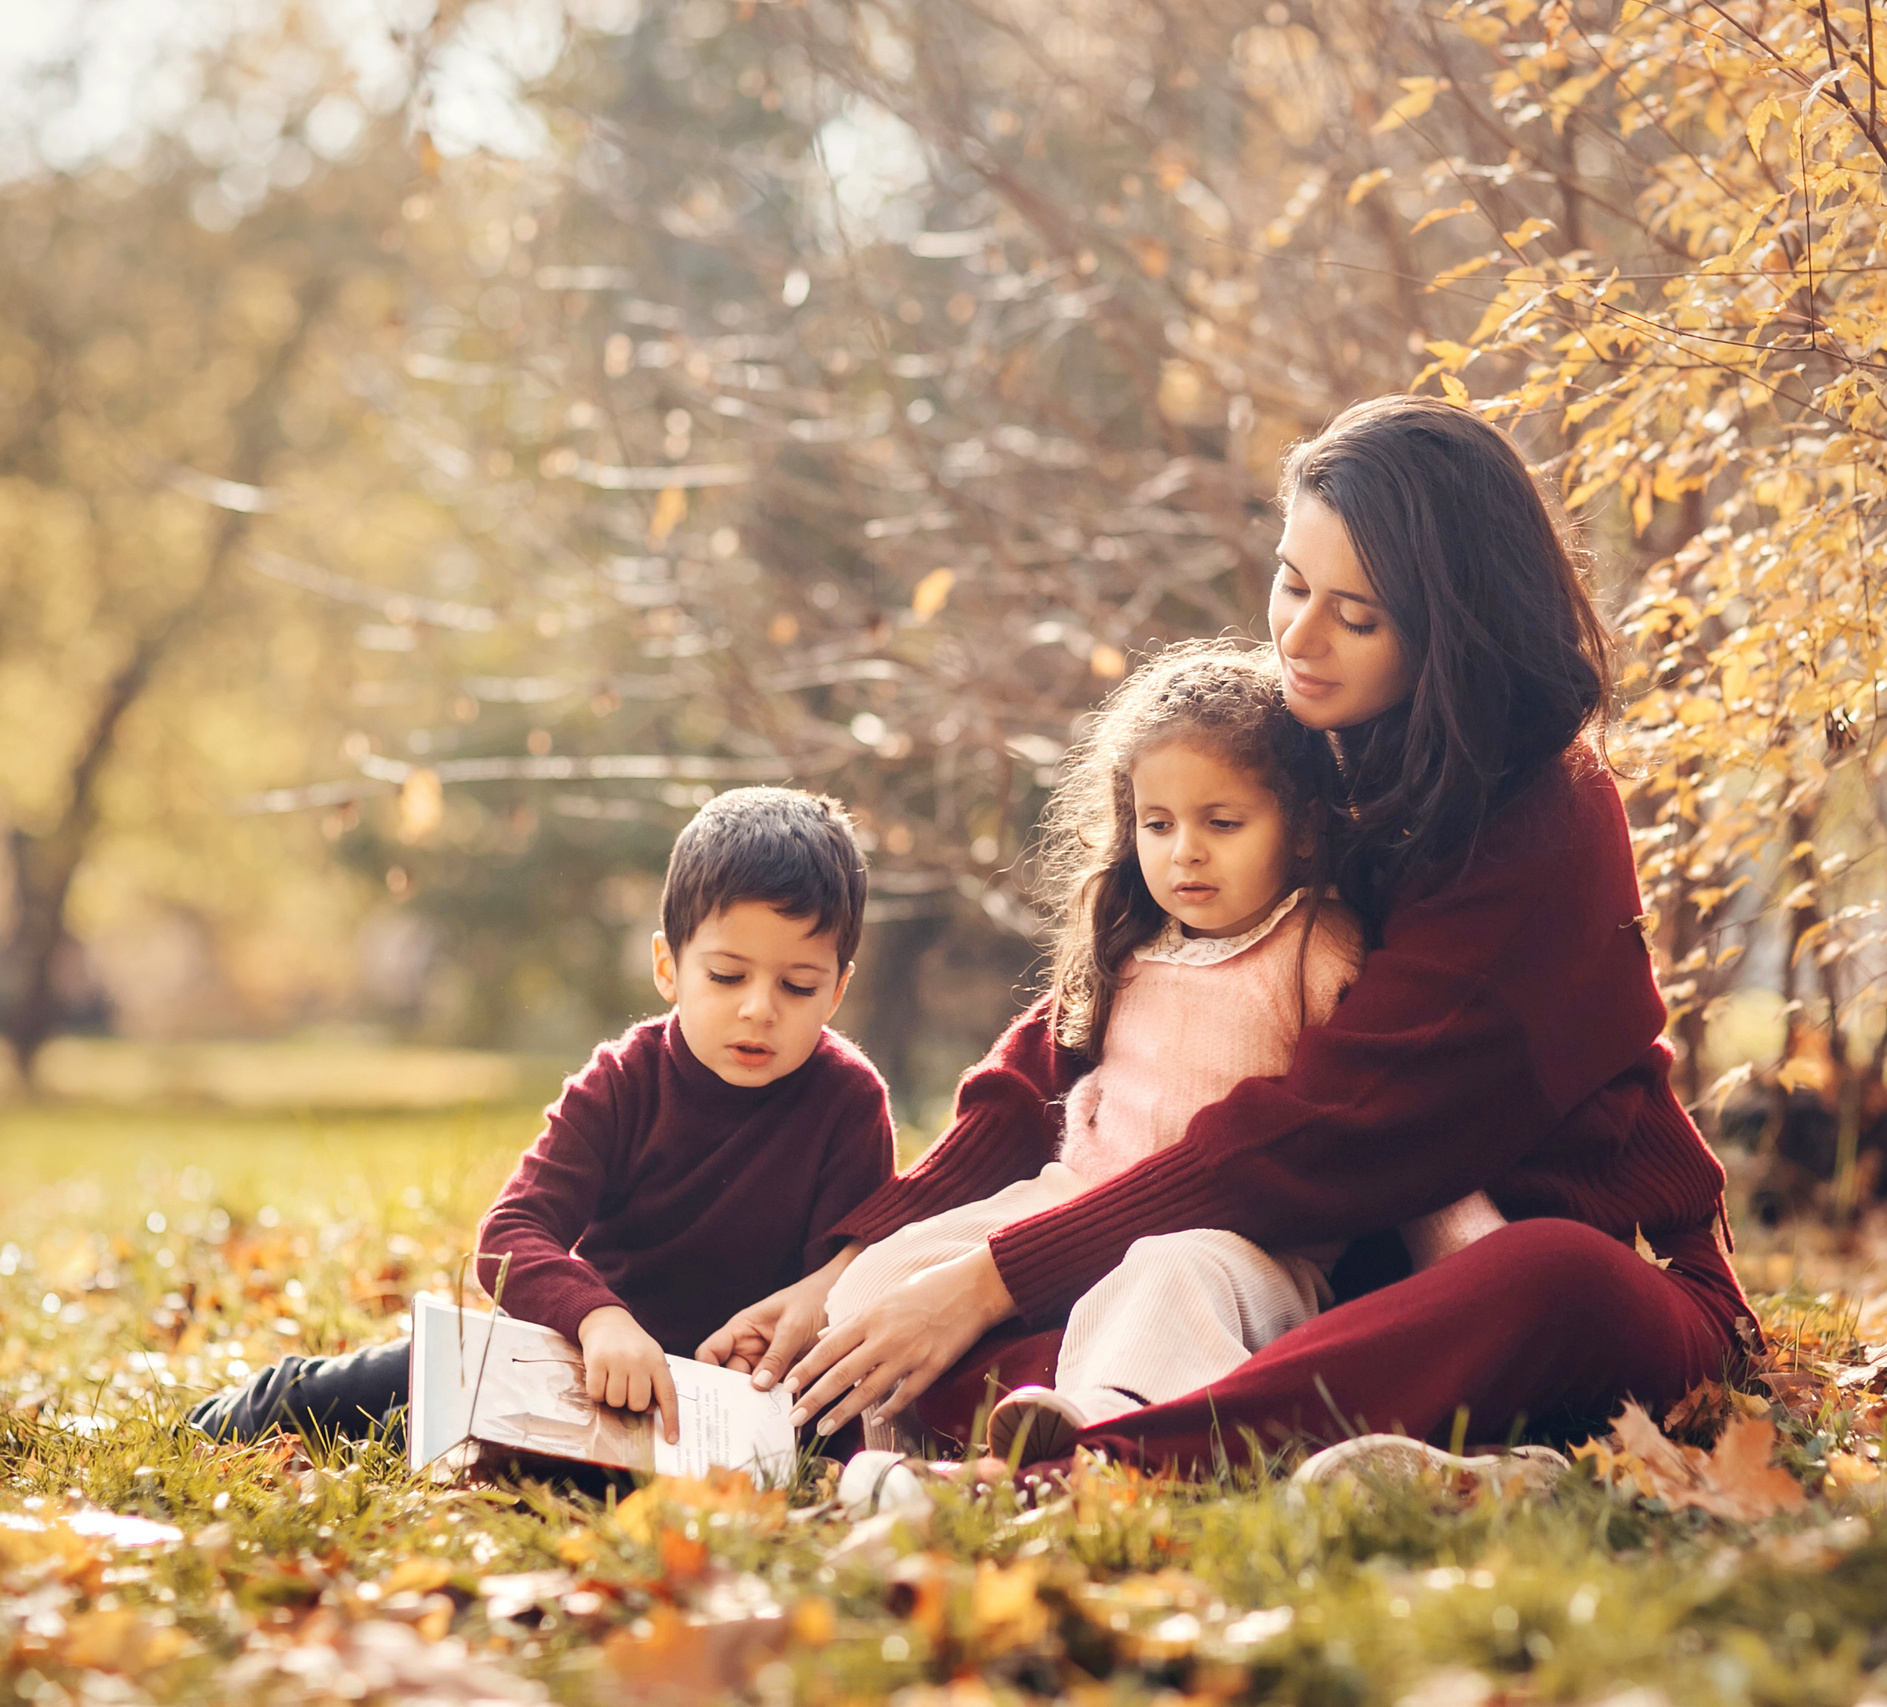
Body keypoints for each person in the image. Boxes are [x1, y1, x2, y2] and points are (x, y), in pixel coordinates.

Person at [704, 395, 1758, 1476]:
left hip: (1549, 1276)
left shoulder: (1544, 824)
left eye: (1357, 616)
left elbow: (1329, 1130)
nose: (1297, 639)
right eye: (1291, 583)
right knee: (996, 1323)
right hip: (1334, 1275)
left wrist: (989, 1277)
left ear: (1455, 630)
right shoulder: (1315, 745)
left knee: (1545, 1278)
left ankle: (1095, 1467)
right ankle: (1091, 1434)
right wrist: (852, 1266)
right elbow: (1092, 1023)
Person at [784, 644, 1501, 1464]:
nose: (1183, 851)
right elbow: (1015, 1094)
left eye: (1221, 823)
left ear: (1303, 830)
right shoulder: (1128, 943)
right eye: (1158, 824)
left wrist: (1478, 1265)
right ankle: (890, 1452)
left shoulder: (1317, 947)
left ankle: (1098, 1434)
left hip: (1245, 1247)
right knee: (884, 1276)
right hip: (1076, 1197)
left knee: (1165, 1272)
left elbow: (1391, 1121)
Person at [184, 787, 894, 1451]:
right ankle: (223, 1418)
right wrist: (598, 1317)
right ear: (667, 966)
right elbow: (507, 1236)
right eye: (727, 975)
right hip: (579, 1363)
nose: (759, 1008)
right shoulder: (621, 1082)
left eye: (797, 985)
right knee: (391, 1388)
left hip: (733, 1409)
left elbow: (851, 1285)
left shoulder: (849, 1104)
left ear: (837, 990)